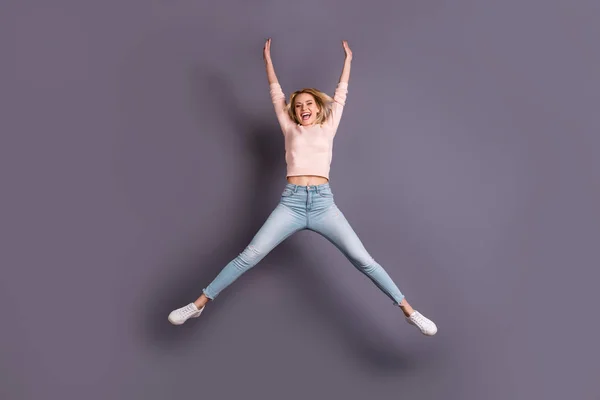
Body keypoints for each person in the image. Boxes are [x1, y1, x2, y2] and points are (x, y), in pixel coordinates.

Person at [168, 39, 437, 336]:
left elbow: (341, 94)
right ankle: (198, 304)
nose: (303, 108)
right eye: (298, 106)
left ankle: (408, 311)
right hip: (291, 204)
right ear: (293, 112)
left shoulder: (328, 126)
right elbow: (275, 94)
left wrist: (348, 61)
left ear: (318, 107)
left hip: (323, 205)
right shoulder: (289, 128)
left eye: (309, 103)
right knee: (249, 256)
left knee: (363, 260)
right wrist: (267, 61)